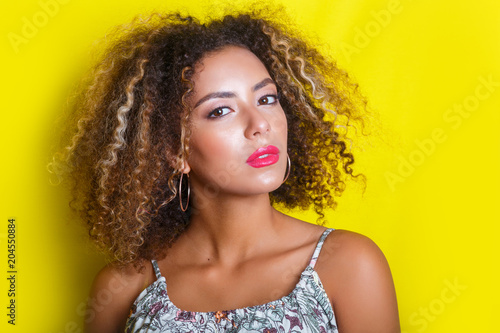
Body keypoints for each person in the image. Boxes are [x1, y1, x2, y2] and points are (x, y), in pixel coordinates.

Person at [51, 9, 400, 333]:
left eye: (267, 99)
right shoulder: (124, 287)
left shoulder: (349, 265)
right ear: (174, 150)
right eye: (220, 111)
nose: (260, 124)